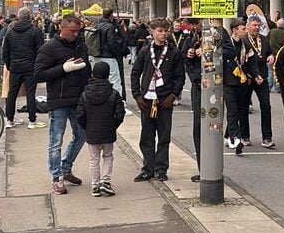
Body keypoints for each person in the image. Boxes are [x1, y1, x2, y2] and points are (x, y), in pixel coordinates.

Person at [34, 14, 91, 195]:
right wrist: (63, 69)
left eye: (78, 31)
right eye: (72, 31)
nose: (75, 34)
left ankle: (66, 167)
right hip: (58, 100)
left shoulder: (81, 45)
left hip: (78, 99)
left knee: (82, 134)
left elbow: (86, 69)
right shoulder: (49, 48)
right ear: (62, 28)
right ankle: (56, 177)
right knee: (55, 141)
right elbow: (39, 74)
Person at [131, 18, 185, 181]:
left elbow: (180, 77)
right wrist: (137, 94)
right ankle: (148, 167)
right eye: (159, 31)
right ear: (152, 32)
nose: (163, 34)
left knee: (164, 135)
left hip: (164, 99)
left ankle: (161, 168)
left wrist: (174, 95)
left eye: (165, 31)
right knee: (146, 136)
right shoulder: (145, 51)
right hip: (147, 99)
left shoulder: (173, 52)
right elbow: (135, 73)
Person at [76, 61, 125, 197]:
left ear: (93, 75)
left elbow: (80, 115)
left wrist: (87, 126)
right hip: (108, 130)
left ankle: (95, 185)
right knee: (108, 156)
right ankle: (106, 182)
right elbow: (120, 114)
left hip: (92, 131)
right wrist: (113, 125)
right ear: (108, 75)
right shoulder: (113, 93)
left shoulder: (85, 94)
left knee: (94, 159)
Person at [2, 7, 46, 129]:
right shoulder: (35, 32)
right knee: (30, 93)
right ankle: (32, 121)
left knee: (12, 94)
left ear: (18, 17)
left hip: (15, 67)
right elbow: (40, 51)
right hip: (30, 67)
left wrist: (9, 65)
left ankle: (9, 120)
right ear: (29, 17)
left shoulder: (10, 32)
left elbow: (5, 52)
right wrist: (38, 65)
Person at [242, 15, 276, 148]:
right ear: (248, 26)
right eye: (254, 25)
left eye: (258, 26)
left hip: (262, 77)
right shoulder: (244, 40)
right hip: (248, 78)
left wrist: (271, 56)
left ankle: (267, 137)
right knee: (244, 107)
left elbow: (269, 52)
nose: (257, 28)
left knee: (266, 106)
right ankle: (244, 135)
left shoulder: (264, 39)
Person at [179, 19, 203, 181]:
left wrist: (210, 52)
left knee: (211, 128)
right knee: (198, 128)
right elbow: (184, 59)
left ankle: (212, 168)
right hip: (199, 85)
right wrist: (190, 54)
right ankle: (203, 168)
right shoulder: (192, 39)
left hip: (216, 87)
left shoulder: (222, 36)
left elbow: (229, 55)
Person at [222, 18, 249, 155]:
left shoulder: (246, 44)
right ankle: (236, 139)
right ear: (235, 30)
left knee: (238, 111)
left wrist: (255, 75)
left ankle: (227, 136)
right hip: (228, 82)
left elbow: (251, 61)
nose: (246, 31)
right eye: (243, 29)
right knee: (232, 110)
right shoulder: (227, 44)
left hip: (242, 82)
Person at [91, 8, 125, 98]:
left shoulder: (97, 25)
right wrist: (117, 52)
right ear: (111, 15)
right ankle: (118, 100)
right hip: (109, 55)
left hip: (97, 54)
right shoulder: (110, 26)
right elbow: (111, 42)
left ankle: (100, 97)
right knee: (115, 79)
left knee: (99, 78)